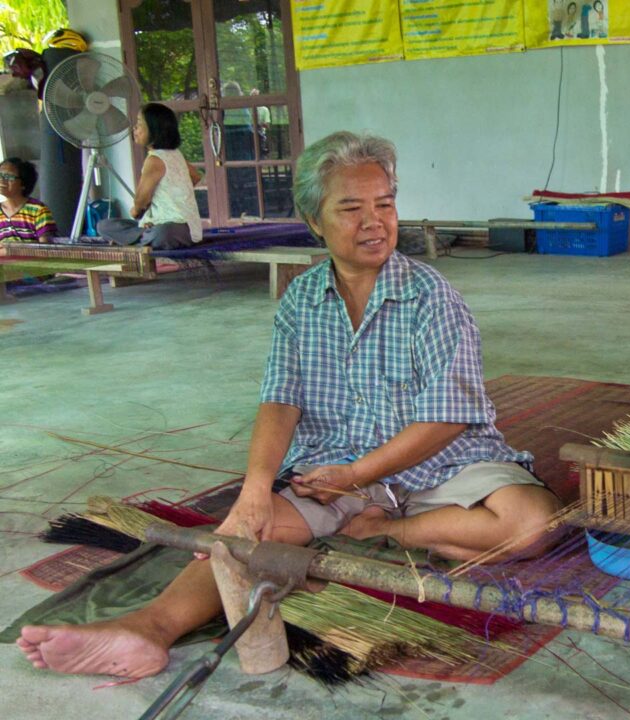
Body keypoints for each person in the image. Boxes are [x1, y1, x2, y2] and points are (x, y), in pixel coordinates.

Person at [17, 131, 564, 679]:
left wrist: (357, 477)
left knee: (532, 524)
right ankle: (148, 629)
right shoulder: (302, 299)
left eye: (385, 204)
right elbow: (280, 401)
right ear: (314, 221)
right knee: (241, 537)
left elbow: (448, 417)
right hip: (332, 466)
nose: (374, 222)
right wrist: (256, 491)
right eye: (351, 208)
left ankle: (380, 532)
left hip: (439, 462)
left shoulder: (431, 296)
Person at [97, 103, 203, 249]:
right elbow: (196, 177)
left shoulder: (154, 160)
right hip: (190, 230)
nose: (135, 128)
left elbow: (140, 202)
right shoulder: (176, 155)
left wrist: (136, 212)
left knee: (105, 227)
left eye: (140, 123)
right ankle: (144, 236)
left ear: (155, 130)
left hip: (172, 231)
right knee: (105, 225)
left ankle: (139, 239)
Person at [0, 157, 57, 243]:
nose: (2, 180)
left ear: (23, 184)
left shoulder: (38, 210)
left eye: (8, 176)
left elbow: (46, 248)